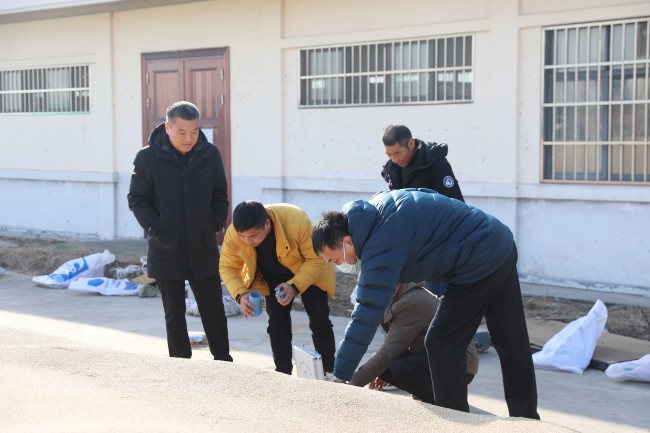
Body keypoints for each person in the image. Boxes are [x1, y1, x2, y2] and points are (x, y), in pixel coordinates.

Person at [312, 188, 539, 419]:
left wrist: (340, 375)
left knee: (442, 342)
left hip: (476, 260)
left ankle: (457, 421)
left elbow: (365, 315)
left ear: (347, 242)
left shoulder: (378, 245)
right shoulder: (375, 210)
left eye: (335, 259)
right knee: (511, 340)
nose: (339, 265)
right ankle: (527, 419)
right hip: (497, 239)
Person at [127, 100, 232, 362]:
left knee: (213, 310)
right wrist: (156, 226)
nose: (189, 138)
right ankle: (180, 366)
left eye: (194, 132)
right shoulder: (147, 158)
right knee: (174, 313)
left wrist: (214, 222)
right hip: (166, 246)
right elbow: (137, 199)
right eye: (182, 132)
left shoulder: (209, 154)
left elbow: (220, 194)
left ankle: (223, 363)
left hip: (202, 244)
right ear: (168, 127)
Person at [219, 200, 336, 375]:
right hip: (272, 276)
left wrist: (294, 286)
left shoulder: (298, 221)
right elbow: (227, 267)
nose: (247, 241)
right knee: (277, 323)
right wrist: (240, 294)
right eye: (242, 236)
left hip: (308, 270)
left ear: (267, 224)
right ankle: (282, 373)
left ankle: (328, 370)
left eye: (252, 236)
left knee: (319, 319)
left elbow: (316, 259)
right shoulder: (234, 234)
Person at [350, 282, 479, 405]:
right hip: (436, 357)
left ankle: (449, 402)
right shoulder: (397, 295)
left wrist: (353, 384)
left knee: (402, 369)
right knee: (381, 366)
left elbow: (389, 352)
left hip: (459, 365)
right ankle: (426, 393)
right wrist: (376, 372)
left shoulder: (410, 302)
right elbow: (391, 343)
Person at [381, 124, 464, 201]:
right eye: (389, 155)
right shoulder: (392, 170)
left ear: (411, 143)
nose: (394, 160)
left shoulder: (436, 164)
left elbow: (456, 205)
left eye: (397, 154)